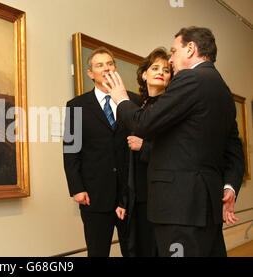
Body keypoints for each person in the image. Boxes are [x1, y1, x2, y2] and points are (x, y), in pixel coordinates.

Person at [104, 26, 245, 257]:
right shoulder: (223, 90)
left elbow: (144, 123)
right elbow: (235, 150)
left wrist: (120, 99)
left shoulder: (191, 78)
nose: (171, 60)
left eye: (173, 51)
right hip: (206, 206)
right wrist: (230, 186)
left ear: (190, 49)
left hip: (181, 207)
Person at [63, 46, 141, 257]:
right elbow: (71, 150)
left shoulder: (133, 102)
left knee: (134, 252)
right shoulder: (76, 106)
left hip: (130, 195)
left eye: (110, 64)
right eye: (100, 65)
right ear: (90, 74)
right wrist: (76, 188)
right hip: (94, 196)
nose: (106, 68)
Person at [115, 47, 173, 257]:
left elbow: (176, 151)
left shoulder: (171, 106)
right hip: (136, 194)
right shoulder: (138, 107)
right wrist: (124, 200)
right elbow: (126, 159)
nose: (161, 72)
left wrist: (145, 147)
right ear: (144, 74)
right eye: (155, 68)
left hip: (159, 194)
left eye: (166, 70)